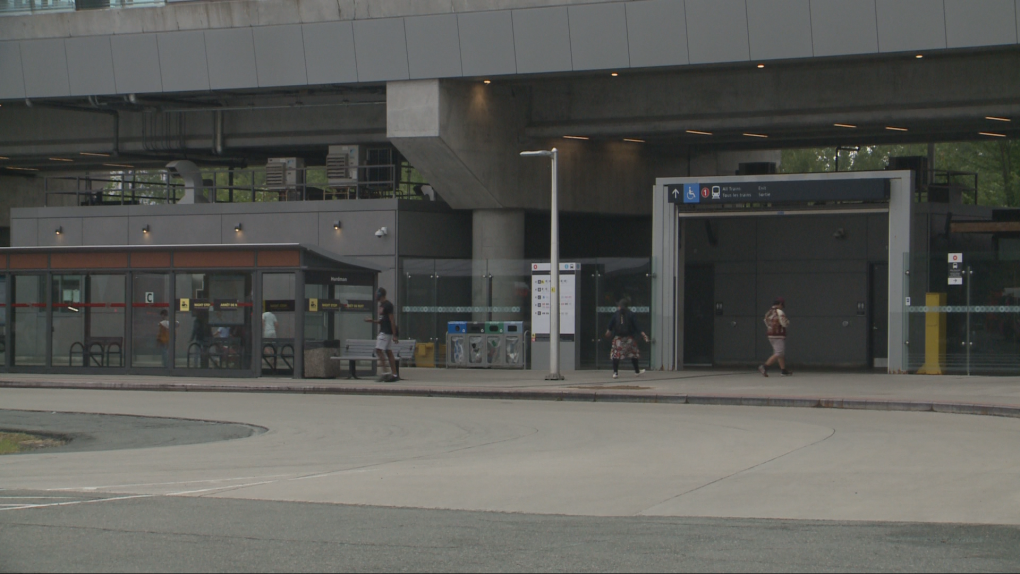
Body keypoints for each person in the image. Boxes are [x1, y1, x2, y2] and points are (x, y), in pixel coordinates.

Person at [604, 298, 649, 379]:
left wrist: (608, 332)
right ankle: (637, 371)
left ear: (620, 306)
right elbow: (636, 326)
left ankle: (615, 373)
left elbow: (610, 326)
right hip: (629, 338)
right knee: (633, 354)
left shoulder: (616, 314)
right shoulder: (631, 314)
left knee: (616, 355)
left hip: (618, 338)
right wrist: (642, 333)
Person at [365, 287, 399, 382]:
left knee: (378, 350)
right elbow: (382, 321)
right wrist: (372, 321)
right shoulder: (382, 305)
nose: (376, 296)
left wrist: (394, 335)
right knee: (388, 352)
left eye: (377, 294)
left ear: (381, 295)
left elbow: (392, 320)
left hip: (386, 332)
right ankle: (394, 374)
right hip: (384, 330)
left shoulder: (388, 305)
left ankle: (385, 373)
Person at [759, 297, 792, 377]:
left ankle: (783, 370)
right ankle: (765, 366)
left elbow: (766, 322)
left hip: (770, 334)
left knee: (780, 353)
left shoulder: (769, 312)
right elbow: (784, 323)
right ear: (780, 304)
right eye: (782, 305)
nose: (782, 307)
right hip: (778, 334)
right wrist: (787, 323)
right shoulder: (779, 312)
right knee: (779, 352)